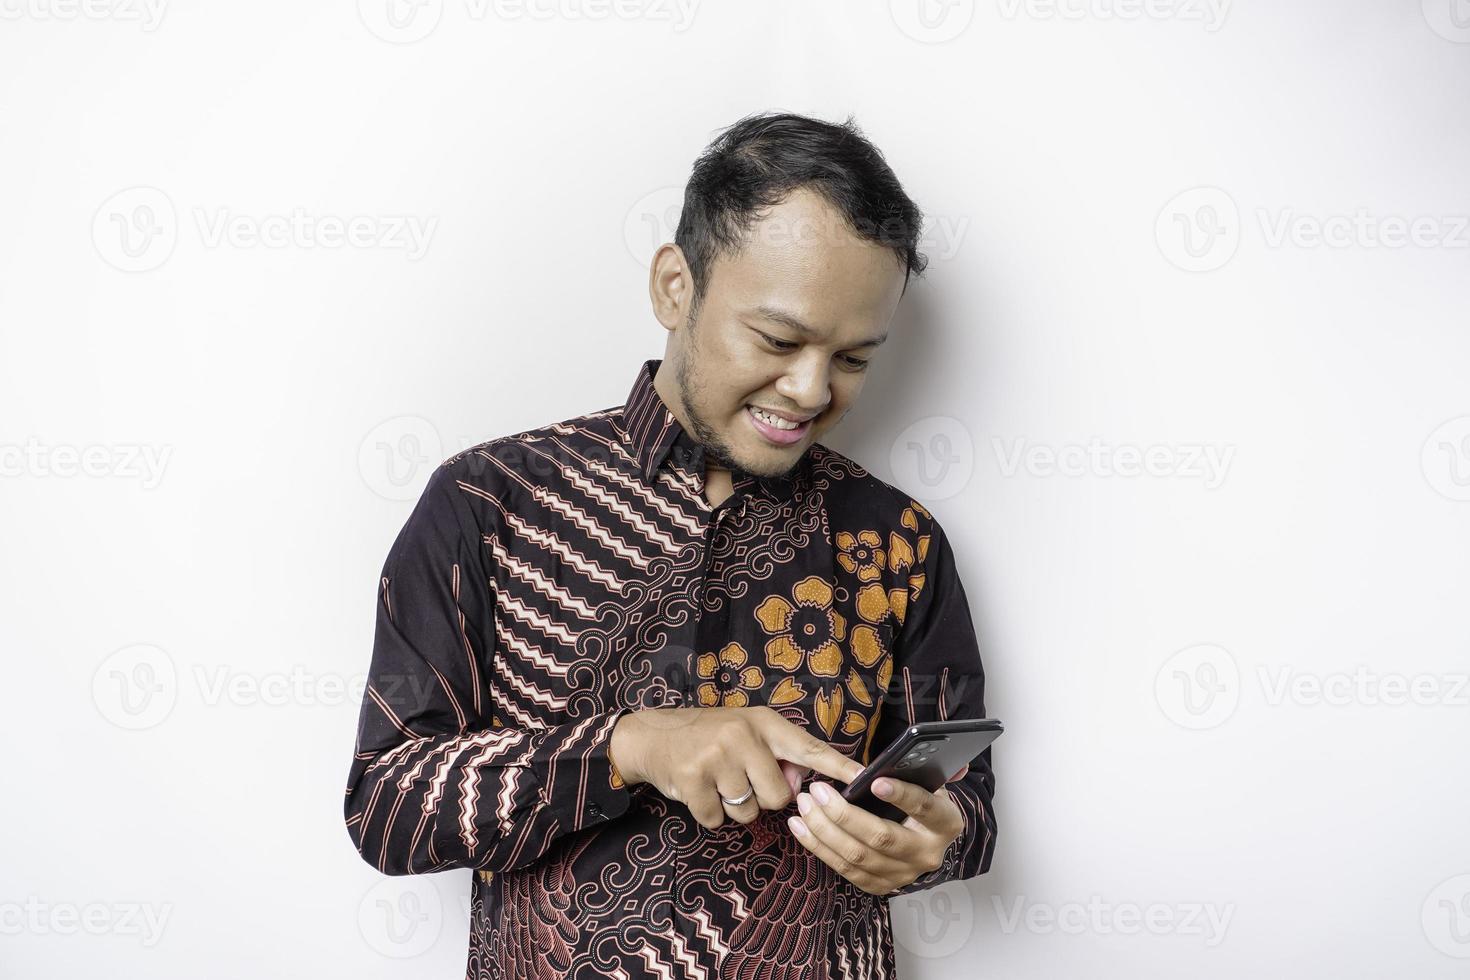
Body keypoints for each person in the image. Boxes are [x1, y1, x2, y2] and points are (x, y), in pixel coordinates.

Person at [344, 110, 997, 979]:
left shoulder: (899, 541)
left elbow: (969, 811)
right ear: (673, 287)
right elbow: (387, 805)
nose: (809, 389)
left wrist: (936, 845)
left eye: (853, 359)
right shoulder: (487, 504)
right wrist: (629, 745)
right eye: (778, 339)